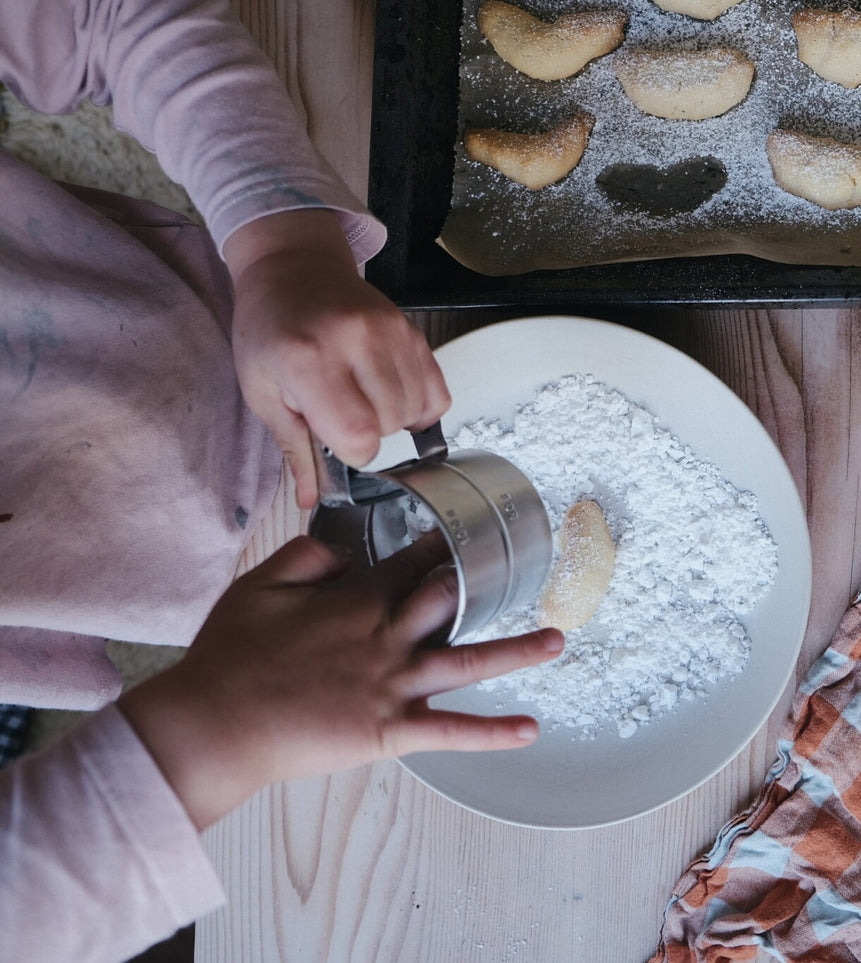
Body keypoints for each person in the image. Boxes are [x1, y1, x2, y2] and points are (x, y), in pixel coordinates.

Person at [0, 1, 561, 960]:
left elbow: (110, 16)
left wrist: (280, 241)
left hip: (187, 319)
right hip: (109, 595)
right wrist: (207, 729)